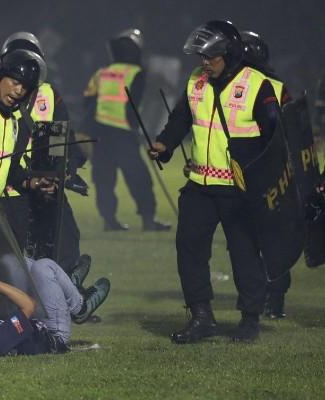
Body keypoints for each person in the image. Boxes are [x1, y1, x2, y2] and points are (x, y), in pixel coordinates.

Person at [149, 20, 280, 343]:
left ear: (231, 54)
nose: (204, 63)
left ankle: (250, 319)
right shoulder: (197, 81)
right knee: (189, 249)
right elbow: (181, 117)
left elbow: (276, 138)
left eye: (211, 57)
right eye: (202, 57)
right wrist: (164, 144)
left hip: (240, 190)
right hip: (199, 186)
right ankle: (201, 317)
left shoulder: (257, 85)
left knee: (244, 254)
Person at [0, 31, 87, 273]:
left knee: (65, 242)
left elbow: (62, 140)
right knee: (13, 254)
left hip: (45, 184)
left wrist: (64, 172)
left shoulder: (49, 94)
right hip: (7, 189)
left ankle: (66, 296)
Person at [83, 29, 170, 231]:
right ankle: (148, 220)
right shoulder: (136, 73)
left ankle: (109, 221)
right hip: (123, 134)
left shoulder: (101, 73)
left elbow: (88, 101)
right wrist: (135, 129)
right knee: (139, 177)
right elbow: (133, 106)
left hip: (100, 135)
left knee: (104, 180)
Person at [0, 256, 110, 356]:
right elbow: (28, 305)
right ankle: (79, 306)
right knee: (44, 267)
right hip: (52, 334)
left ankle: (68, 287)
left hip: (28, 320)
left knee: (11, 261)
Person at [241, 30, 292, 319]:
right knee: (264, 238)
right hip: (258, 172)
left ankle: (269, 296)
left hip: (261, 173)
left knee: (258, 238)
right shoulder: (277, 85)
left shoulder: (267, 86)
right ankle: (269, 297)